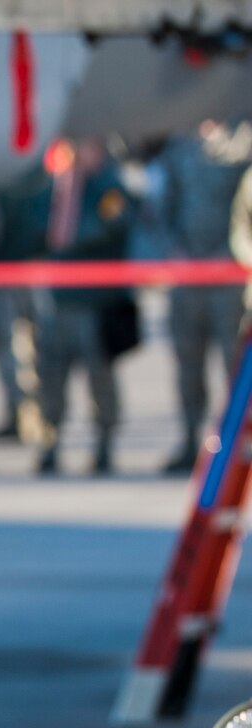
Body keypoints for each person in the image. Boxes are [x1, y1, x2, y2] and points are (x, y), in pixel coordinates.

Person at [33, 137, 134, 476]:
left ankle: (104, 442)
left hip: (95, 303)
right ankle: (50, 440)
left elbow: (110, 226)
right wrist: (66, 185)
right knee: (50, 378)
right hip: (57, 301)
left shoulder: (109, 188)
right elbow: (39, 230)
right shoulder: (54, 184)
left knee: (99, 377)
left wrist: (79, 189)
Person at [159, 122, 252, 472]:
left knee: (235, 365)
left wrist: (233, 255)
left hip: (230, 279)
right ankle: (189, 441)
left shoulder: (243, 149)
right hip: (188, 279)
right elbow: (160, 209)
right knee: (188, 364)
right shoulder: (178, 151)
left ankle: (235, 447)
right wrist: (174, 250)